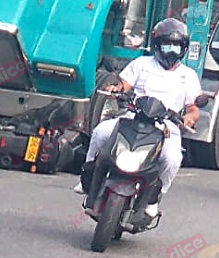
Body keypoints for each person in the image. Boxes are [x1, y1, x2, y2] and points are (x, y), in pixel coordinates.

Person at [74, 18, 202, 218]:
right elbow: (123, 84)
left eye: (176, 47)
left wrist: (189, 118)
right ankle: (87, 177)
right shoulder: (142, 64)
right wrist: (116, 89)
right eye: (166, 45)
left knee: (172, 158)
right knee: (100, 132)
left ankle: (155, 197)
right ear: (157, 45)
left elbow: (193, 108)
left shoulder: (189, 75)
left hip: (166, 127)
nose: (171, 51)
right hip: (133, 118)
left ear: (183, 48)